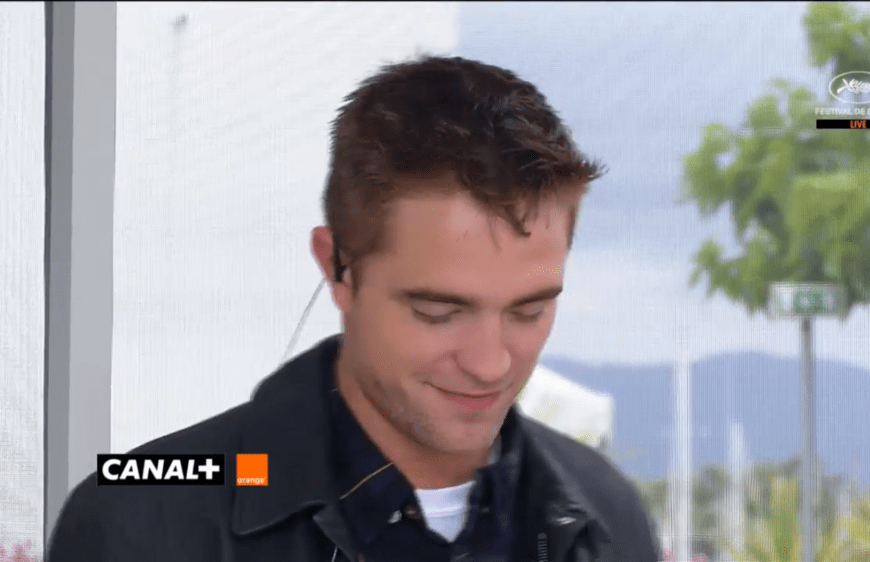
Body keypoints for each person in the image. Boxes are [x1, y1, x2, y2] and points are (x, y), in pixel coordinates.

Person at [46, 55, 662, 562]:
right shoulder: (142, 509)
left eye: (528, 312)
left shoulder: (606, 509)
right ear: (338, 266)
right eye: (439, 311)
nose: (490, 364)